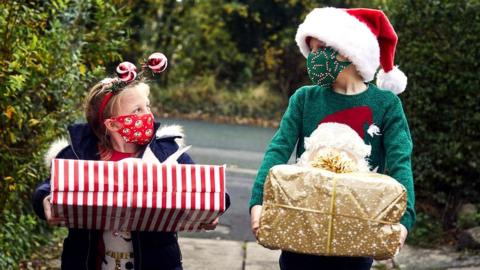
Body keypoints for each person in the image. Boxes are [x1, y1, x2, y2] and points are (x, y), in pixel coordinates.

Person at [249, 7, 415, 270]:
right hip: (301, 227)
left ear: (347, 50)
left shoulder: (386, 104)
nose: (312, 57)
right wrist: (258, 202)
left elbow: (399, 163)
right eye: (311, 50)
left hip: (357, 234)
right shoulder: (304, 98)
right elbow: (278, 149)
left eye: (320, 49)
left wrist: (403, 221)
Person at [33, 54, 228, 270]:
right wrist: (45, 199)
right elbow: (49, 187)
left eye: (148, 106)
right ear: (113, 125)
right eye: (137, 110)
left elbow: (203, 188)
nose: (149, 115)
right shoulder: (80, 155)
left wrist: (215, 207)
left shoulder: (165, 152)